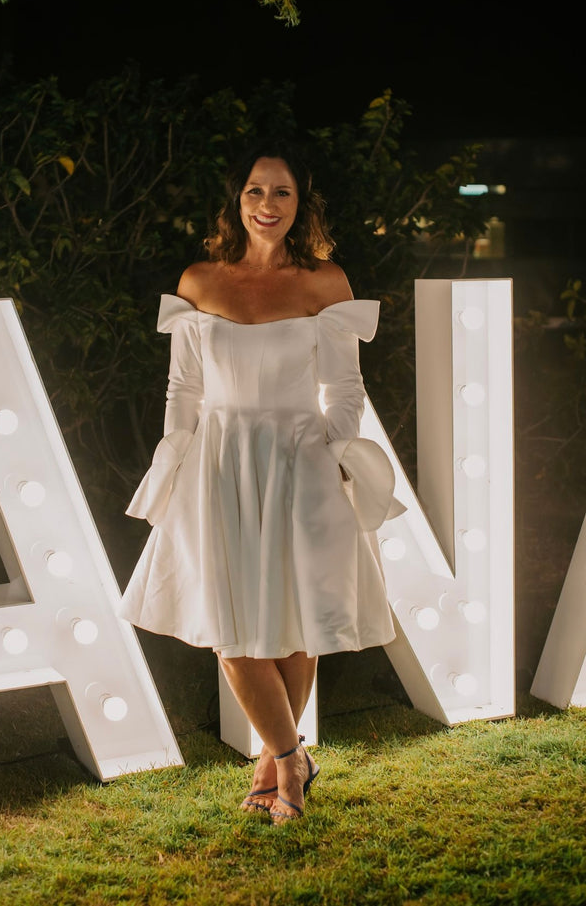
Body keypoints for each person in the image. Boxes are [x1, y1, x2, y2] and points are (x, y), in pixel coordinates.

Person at [119, 146, 403, 824]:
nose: (267, 205)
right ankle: (290, 755)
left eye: (281, 192)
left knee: (294, 620)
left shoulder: (323, 282)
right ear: (236, 200)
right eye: (255, 191)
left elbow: (345, 387)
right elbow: (182, 387)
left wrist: (336, 454)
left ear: (300, 203)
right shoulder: (198, 280)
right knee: (232, 627)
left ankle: (275, 764)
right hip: (218, 461)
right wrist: (176, 458)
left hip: (300, 459)